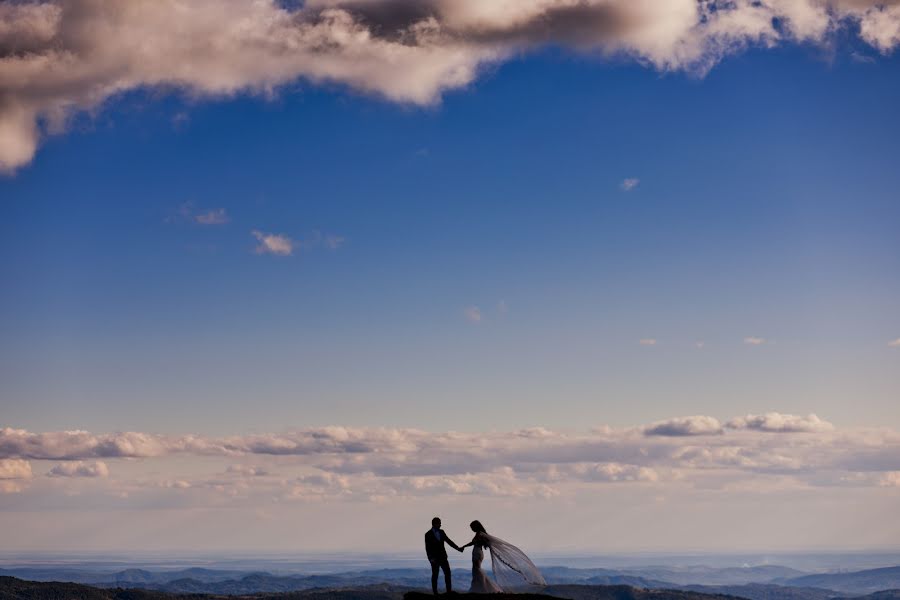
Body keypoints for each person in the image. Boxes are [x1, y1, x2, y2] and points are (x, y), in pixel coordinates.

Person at [459, 520, 546, 593]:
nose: (471, 529)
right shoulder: (480, 534)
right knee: (476, 569)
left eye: (472, 527)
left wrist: (463, 546)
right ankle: (480, 586)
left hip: (477, 553)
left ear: (476, 526)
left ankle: (480, 587)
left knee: (476, 569)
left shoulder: (480, 534)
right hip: (477, 552)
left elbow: (474, 543)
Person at [425, 517, 463, 594]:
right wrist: (430, 558)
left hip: (443, 557)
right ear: (434, 524)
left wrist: (457, 548)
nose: (440, 525)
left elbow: (448, 541)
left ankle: (449, 591)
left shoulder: (442, 532)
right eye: (439, 523)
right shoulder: (428, 534)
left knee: (447, 574)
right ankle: (435, 592)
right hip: (434, 559)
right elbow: (427, 548)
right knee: (435, 575)